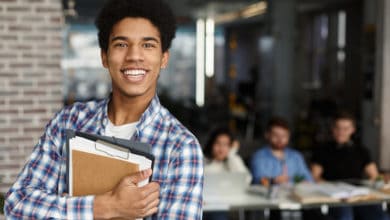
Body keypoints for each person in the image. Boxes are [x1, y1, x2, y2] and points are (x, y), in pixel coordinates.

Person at [4, 0, 203, 219]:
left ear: (164, 58)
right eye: (121, 44)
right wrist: (106, 207)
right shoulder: (68, 121)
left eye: (148, 45)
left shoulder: (181, 146)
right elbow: (18, 204)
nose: (134, 56)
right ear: (104, 57)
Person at [311, 112, 389, 220]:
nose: (341, 132)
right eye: (338, 128)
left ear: (352, 130)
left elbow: (374, 176)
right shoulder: (322, 150)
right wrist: (331, 188)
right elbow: (314, 176)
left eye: (345, 128)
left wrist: (384, 178)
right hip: (334, 196)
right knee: (345, 216)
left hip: (358, 196)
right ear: (332, 129)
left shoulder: (362, 150)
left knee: (382, 217)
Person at [250, 117, 312, 185]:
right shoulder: (259, 157)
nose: (280, 139)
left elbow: (308, 178)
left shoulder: (296, 156)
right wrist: (273, 181)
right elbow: (258, 180)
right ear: (267, 135)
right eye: (276, 135)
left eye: (284, 136)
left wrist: (305, 181)